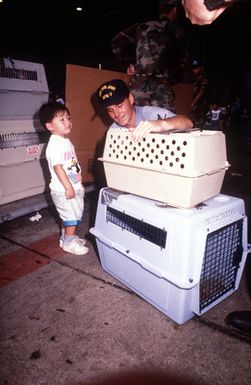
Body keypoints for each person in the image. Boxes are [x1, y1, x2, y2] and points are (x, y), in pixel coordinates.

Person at [111, 0, 187, 113]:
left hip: (139, 84)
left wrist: (132, 63)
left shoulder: (142, 27)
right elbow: (183, 61)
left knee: (136, 120)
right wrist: (172, 77)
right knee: (166, 122)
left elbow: (117, 42)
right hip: (161, 86)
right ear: (174, 10)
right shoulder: (177, 31)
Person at [39, 102, 89, 256]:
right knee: (72, 217)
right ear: (50, 126)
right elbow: (58, 168)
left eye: (68, 118)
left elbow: (71, 163)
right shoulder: (54, 145)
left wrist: (78, 182)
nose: (68, 122)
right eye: (62, 120)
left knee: (71, 215)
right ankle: (69, 243)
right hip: (63, 189)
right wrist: (68, 187)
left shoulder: (66, 142)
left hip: (72, 186)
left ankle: (66, 238)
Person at [96, 78, 193, 141]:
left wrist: (160, 124)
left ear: (130, 99)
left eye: (119, 105)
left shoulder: (149, 114)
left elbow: (188, 123)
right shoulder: (113, 130)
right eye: (110, 110)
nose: (116, 114)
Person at [190, 59, 209, 127]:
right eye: (193, 68)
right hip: (194, 104)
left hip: (200, 105)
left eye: (196, 68)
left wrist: (193, 103)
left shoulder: (204, 78)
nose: (194, 70)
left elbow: (202, 92)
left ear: (201, 68)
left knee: (198, 123)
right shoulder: (194, 78)